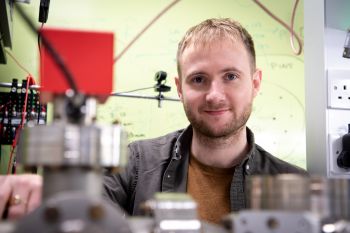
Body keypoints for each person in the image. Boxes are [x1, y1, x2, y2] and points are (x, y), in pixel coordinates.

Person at [0, 18, 307, 224]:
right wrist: (49, 196)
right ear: (179, 88)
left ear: (255, 83)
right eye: (198, 79)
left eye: (230, 76)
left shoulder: (299, 188)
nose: (214, 95)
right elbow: (85, 206)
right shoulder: (134, 162)